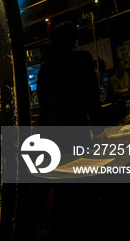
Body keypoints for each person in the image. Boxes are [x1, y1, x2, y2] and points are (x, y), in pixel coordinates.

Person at [35, 21, 104, 241]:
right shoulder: (82, 59)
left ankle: (59, 234)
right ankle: (80, 233)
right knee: (81, 190)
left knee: (62, 193)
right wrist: (99, 128)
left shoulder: (46, 66)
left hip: (52, 136)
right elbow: (92, 98)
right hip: (76, 131)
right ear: (74, 41)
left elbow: (43, 102)